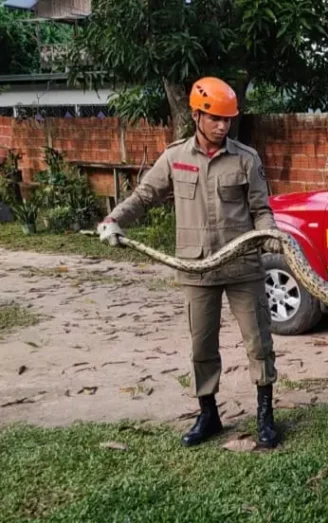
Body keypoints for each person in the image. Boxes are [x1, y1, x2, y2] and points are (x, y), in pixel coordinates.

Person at [97, 77, 284, 449]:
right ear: (197, 115)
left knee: (259, 342)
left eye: (228, 119)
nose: (222, 126)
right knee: (202, 347)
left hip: (243, 265)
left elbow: (261, 210)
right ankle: (208, 414)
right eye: (215, 118)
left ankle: (265, 416)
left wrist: (270, 234)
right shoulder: (175, 157)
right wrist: (113, 219)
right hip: (196, 268)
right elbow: (145, 195)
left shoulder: (246, 158)